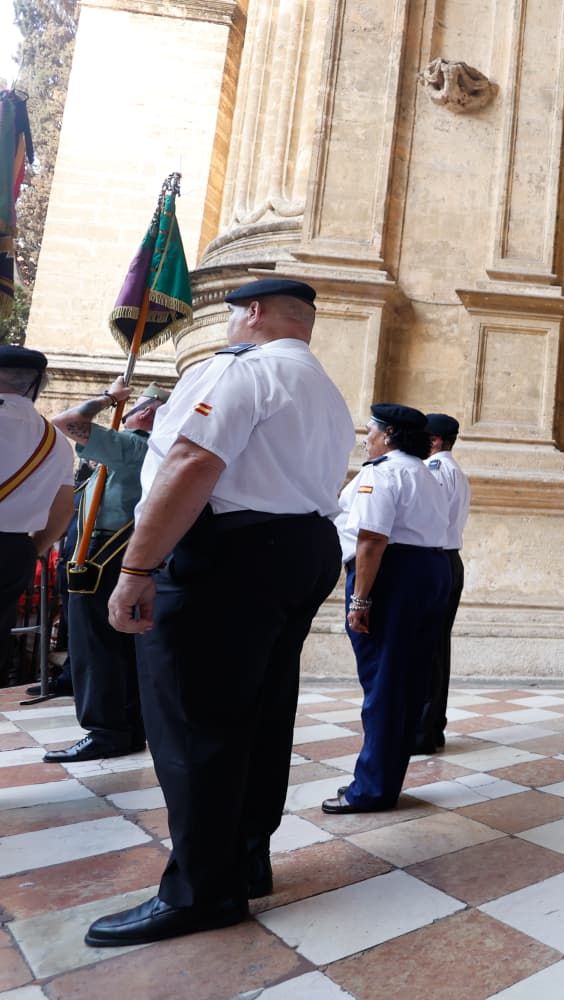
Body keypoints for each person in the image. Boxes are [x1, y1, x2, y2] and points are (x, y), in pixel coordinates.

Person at [88, 278, 354, 947]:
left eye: (234, 316)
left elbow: (191, 460)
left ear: (252, 313)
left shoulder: (242, 371)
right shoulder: (324, 388)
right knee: (260, 712)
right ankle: (244, 857)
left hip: (228, 554)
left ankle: (203, 891)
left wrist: (137, 568)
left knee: (194, 720)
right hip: (300, 546)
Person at [322, 404, 452, 814]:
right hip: (428, 571)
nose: (366, 438)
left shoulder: (382, 472)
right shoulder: (425, 473)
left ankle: (372, 788)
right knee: (405, 684)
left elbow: (371, 539)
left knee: (383, 684)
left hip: (393, 576)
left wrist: (360, 599)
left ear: (389, 434)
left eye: (371, 430)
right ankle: (383, 779)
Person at [43, 378, 168, 763]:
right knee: (109, 648)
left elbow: (65, 422)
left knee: (96, 648)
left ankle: (107, 731)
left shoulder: (134, 445)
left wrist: (108, 397)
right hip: (101, 552)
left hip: (103, 555)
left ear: (145, 413)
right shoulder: (137, 448)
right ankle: (123, 729)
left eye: (133, 407)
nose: (125, 414)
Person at [0, 346, 74, 683]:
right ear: (36, 384)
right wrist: (34, 549)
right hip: (13, 551)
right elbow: (64, 508)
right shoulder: (55, 440)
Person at [413, 411, 470, 755]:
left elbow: (425, 518)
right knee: (437, 648)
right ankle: (433, 726)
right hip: (449, 559)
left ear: (434, 441)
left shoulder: (434, 470)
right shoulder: (454, 471)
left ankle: (422, 730)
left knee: (426, 647)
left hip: (435, 557)